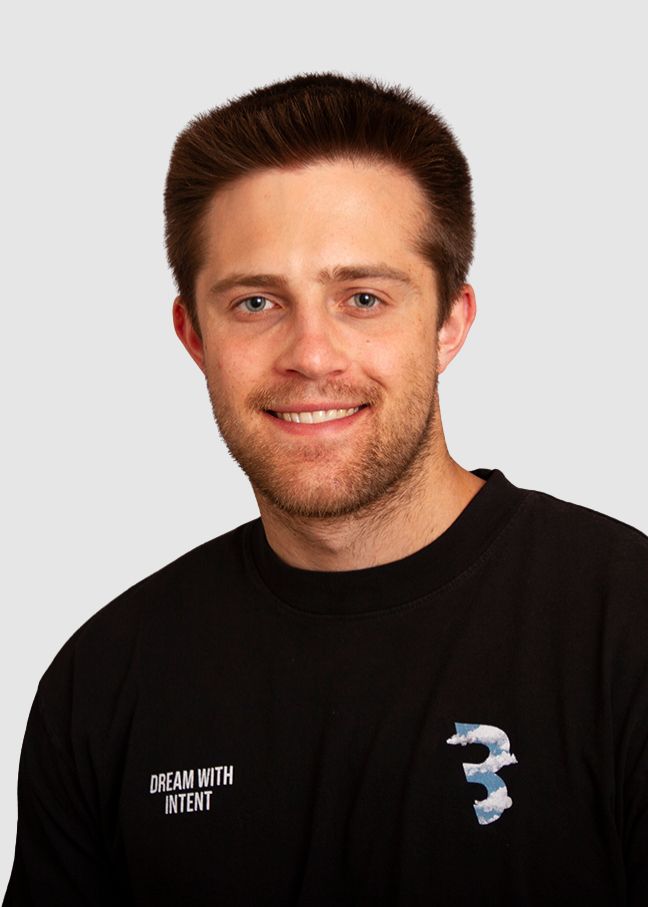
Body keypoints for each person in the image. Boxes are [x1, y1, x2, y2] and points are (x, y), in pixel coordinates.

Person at [3, 71, 647, 906]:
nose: (311, 354)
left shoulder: (623, 627)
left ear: (450, 322)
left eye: (363, 297)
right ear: (195, 336)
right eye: (256, 302)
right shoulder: (103, 683)